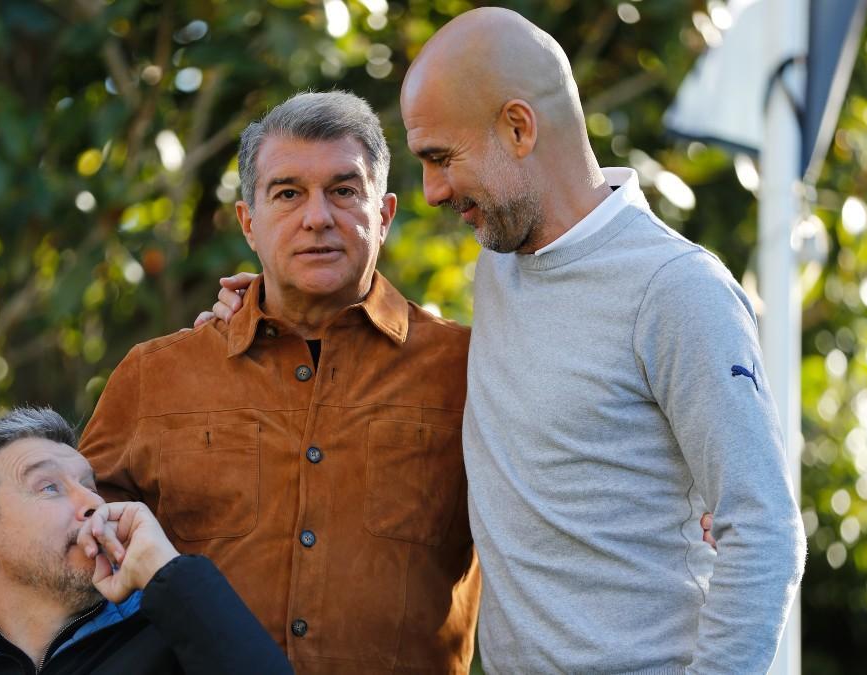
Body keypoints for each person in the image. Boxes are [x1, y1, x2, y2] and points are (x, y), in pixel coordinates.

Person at [209, 8, 806, 674]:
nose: (432, 190)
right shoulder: (500, 260)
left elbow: (764, 531)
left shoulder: (676, 289)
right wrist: (272, 303)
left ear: (518, 128)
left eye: (441, 158)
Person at [0, 93, 479, 675]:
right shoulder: (159, 376)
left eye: (344, 190)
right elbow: (48, 541)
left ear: (385, 214)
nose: (317, 217)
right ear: (248, 223)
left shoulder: (468, 370)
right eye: (287, 193)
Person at [0, 407, 291, 674]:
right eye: (49, 488)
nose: (93, 503)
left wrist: (166, 570)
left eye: (89, 485)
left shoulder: (176, 635)